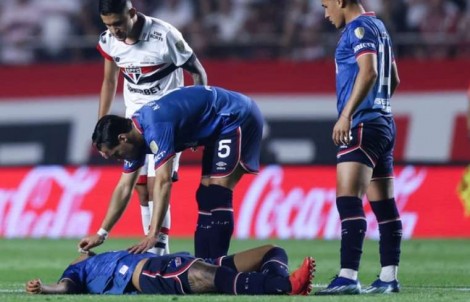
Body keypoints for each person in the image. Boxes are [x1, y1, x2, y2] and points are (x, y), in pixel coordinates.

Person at [78, 85, 263, 260]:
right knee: (206, 195)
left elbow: (163, 181)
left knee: (217, 193)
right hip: (217, 127)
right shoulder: (136, 137)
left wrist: (153, 234)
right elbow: (124, 187)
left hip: (236, 116)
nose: (119, 159)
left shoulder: (155, 126)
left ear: (122, 138)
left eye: (116, 154)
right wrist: (101, 233)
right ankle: (205, 263)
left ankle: (217, 267)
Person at [95, 0, 208, 255]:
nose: (115, 31)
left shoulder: (164, 35)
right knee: (141, 187)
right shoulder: (109, 41)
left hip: (166, 122)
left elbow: (197, 71)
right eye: (108, 25)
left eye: (118, 23)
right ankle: (156, 250)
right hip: (134, 122)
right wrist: (102, 123)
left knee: (160, 182)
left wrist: (196, 123)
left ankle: (157, 251)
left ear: (132, 13)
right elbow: (109, 80)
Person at [316, 0, 402, 295]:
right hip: (383, 123)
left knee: (348, 199)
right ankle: (389, 277)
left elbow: (369, 72)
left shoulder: (359, 29)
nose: (325, 13)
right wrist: (377, 107)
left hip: (362, 125)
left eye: (327, 5)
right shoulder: (380, 28)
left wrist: (347, 114)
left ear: (341, 1)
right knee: (384, 206)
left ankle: (348, 275)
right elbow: (395, 79)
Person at [25, 244, 315, 296]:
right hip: (143, 274)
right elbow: (65, 287)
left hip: (168, 260)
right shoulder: (78, 271)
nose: (81, 254)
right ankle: (283, 286)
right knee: (203, 275)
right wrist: (45, 288)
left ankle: (277, 278)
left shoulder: (105, 256)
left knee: (270, 251)